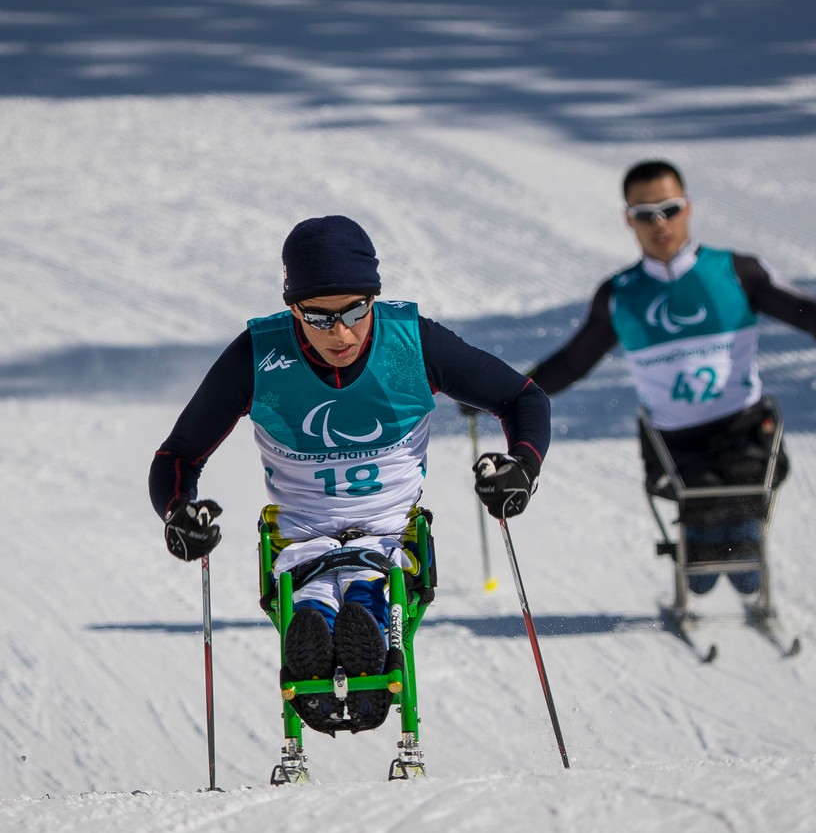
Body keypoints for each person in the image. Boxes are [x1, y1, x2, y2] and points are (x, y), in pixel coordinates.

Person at [150, 215, 550, 734]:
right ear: (292, 307)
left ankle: (358, 626)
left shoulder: (412, 345)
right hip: (301, 533)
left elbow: (523, 399)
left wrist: (522, 466)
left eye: (356, 312)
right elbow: (178, 456)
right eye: (317, 318)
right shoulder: (259, 355)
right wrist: (178, 513)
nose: (340, 333)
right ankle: (321, 630)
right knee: (311, 582)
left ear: (374, 297)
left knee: (371, 578)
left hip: (390, 529)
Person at [526, 159, 816, 595]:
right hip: (675, 443)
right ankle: (700, 571)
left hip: (744, 429)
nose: (659, 223)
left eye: (668, 209)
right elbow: (573, 362)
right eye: (644, 214)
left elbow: (803, 308)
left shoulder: (736, 271)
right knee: (703, 574)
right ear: (627, 219)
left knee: (745, 569)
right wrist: (509, 391)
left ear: (688, 207)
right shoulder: (620, 294)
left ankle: (749, 575)